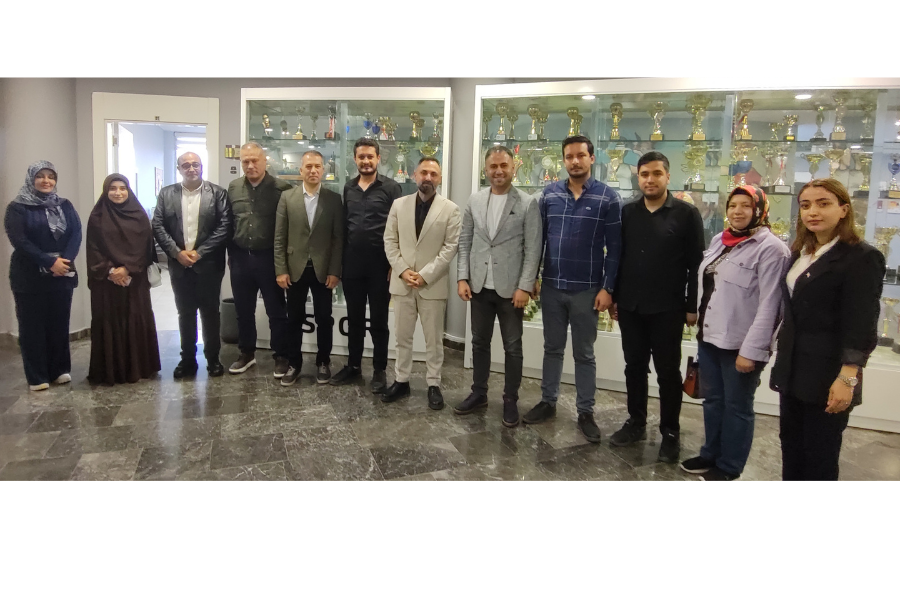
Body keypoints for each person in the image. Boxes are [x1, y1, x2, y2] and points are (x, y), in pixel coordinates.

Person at [770, 178, 885, 481]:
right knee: (791, 447)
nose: (813, 212)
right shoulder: (801, 252)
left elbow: (862, 322)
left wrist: (848, 377)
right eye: (805, 205)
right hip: (793, 368)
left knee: (819, 454)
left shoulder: (861, 257)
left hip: (828, 373)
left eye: (823, 204)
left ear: (844, 209)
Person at [679, 185, 790, 480]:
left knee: (737, 406)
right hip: (710, 337)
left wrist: (752, 351)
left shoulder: (772, 249)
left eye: (746, 206)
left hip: (740, 345)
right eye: (732, 205)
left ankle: (729, 466)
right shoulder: (721, 239)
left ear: (760, 210)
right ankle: (710, 454)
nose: (737, 211)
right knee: (713, 400)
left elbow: (771, 305)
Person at [521, 135, 622, 443]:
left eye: (580, 155)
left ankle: (586, 411)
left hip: (587, 291)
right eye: (569, 156)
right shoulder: (549, 195)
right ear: (564, 160)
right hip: (552, 286)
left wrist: (608, 288)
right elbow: (537, 241)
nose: (575, 161)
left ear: (592, 158)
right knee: (552, 348)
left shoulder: (608, 198)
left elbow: (615, 249)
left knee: (584, 353)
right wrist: (532, 277)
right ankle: (548, 401)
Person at [608, 151, 705, 463]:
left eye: (656, 174)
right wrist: (614, 296)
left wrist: (692, 306)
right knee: (634, 367)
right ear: (638, 178)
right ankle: (636, 422)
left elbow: (696, 265)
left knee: (667, 373)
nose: (650, 180)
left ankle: (670, 431)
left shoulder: (686, 214)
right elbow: (618, 258)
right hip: (631, 306)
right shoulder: (627, 212)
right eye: (644, 174)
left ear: (668, 176)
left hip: (668, 308)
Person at [455, 146, 542, 427]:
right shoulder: (475, 200)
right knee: (479, 342)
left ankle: (510, 399)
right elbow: (465, 241)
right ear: (486, 169)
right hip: (479, 286)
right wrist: (462, 277)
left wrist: (525, 286)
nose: (499, 171)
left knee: (513, 347)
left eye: (504, 165)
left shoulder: (527, 203)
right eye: (493, 166)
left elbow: (533, 249)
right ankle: (479, 393)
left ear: (513, 168)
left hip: (511, 290)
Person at [382, 157, 461, 409]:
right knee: (402, 337)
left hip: (432, 284)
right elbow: (389, 241)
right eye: (423, 172)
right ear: (414, 175)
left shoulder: (451, 209)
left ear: (440, 178)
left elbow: (450, 247)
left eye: (433, 174)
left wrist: (425, 274)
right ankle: (401, 380)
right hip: (403, 282)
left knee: (434, 340)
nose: (428, 177)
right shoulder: (398, 205)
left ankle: (433, 384)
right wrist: (403, 270)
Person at [330, 138, 402, 393]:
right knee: (355, 319)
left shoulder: (391, 188)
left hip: (381, 265)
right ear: (355, 159)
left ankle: (380, 370)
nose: (366, 161)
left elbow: (399, 226)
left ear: (378, 158)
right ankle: (353, 366)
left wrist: (396, 263)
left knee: (379, 320)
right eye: (361, 157)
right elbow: (343, 227)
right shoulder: (348, 188)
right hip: (352, 264)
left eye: (370, 156)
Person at [152, 152, 232, 378]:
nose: (191, 168)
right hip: (179, 266)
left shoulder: (217, 193)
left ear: (201, 166)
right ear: (179, 169)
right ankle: (187, 359)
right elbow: (158, 225)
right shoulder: (166, 194)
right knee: (185, 313)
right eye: (185, 165)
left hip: (209, 265)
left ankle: (213, 359)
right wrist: (176, 253)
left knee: (210, 313)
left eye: (195, 164)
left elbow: (225, 227)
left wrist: (199, 253)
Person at [4, 161, 82, 391]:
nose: (46, 181)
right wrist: (49, 262)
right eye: (40, 176)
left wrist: (64, 261)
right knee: (32, 326)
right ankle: (37, 376)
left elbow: (76, 233)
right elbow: (19, 241)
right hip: (29, 276)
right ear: (31, 179)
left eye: (51, 176)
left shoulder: (64, 205)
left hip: (62, 273)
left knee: (59, 322)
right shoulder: (17, 208)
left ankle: (59, 369)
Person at [274, 150, 344, 386]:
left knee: (324, 318)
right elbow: (279, 237)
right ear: (300, 170)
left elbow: (338, 238)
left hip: (323, 270)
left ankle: (323, 362)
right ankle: (294, 364)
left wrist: (335, 270)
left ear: (323, 170)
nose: (313, 170)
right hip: (294, 268)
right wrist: (281, 269)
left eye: (317, 166)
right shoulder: (287, 198)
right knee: (294, 318)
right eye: (308, 167)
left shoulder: (333, 200)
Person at [86, 174, 161, 385]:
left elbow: (145, 247)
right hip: (106, 282)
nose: (118, 192)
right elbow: (93, 248)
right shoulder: (97, 216)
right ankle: (111, 371)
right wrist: (110, 271)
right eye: (112, 188)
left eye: (122, 188)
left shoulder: (139, 215)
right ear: (106, 191)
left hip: (134, 280)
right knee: (109, 322)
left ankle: (139, 368)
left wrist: (127, 269)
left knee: (135, 318)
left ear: (128, 190)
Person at [227, 142, 294, 376]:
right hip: (240, 258)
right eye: (245, 161)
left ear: (265, 161)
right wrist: (231, 255)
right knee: (243, 310)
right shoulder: (234, 188)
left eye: (255, 160)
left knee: (276, 311)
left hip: (269, 259)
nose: (250, 165)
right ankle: (246, 353)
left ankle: (281, 355)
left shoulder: (282, 189)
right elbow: (228, 223)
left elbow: (287, 228)